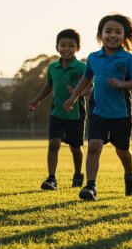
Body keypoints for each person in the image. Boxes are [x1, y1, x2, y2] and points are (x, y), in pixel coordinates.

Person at [64, 14, 132, 201]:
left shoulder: (128, 59)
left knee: (122, 151)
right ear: (100, 35)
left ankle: (129, 177)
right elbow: (86, 79)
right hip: (97, 111)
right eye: (108, 31)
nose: (112, 35)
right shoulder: (93, 58)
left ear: (124, 36)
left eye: (118, 32)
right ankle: (91, 187)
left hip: (121, 113)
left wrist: (121, 84)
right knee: (93, 146)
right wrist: (74, 96)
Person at [27, 29, 89, 191]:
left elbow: (90, 89)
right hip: (57, 113)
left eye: (71, 45)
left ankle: (77, 174)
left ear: (78, 48)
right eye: (63, 45)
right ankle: (51, 178)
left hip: (76, 114)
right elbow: (49, 86)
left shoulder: (82, 67)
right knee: (54, 143)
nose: (66, 48)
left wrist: (76, 93)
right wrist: (36, 100)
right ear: (57, 47)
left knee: (75, 148)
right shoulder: (52, 67)